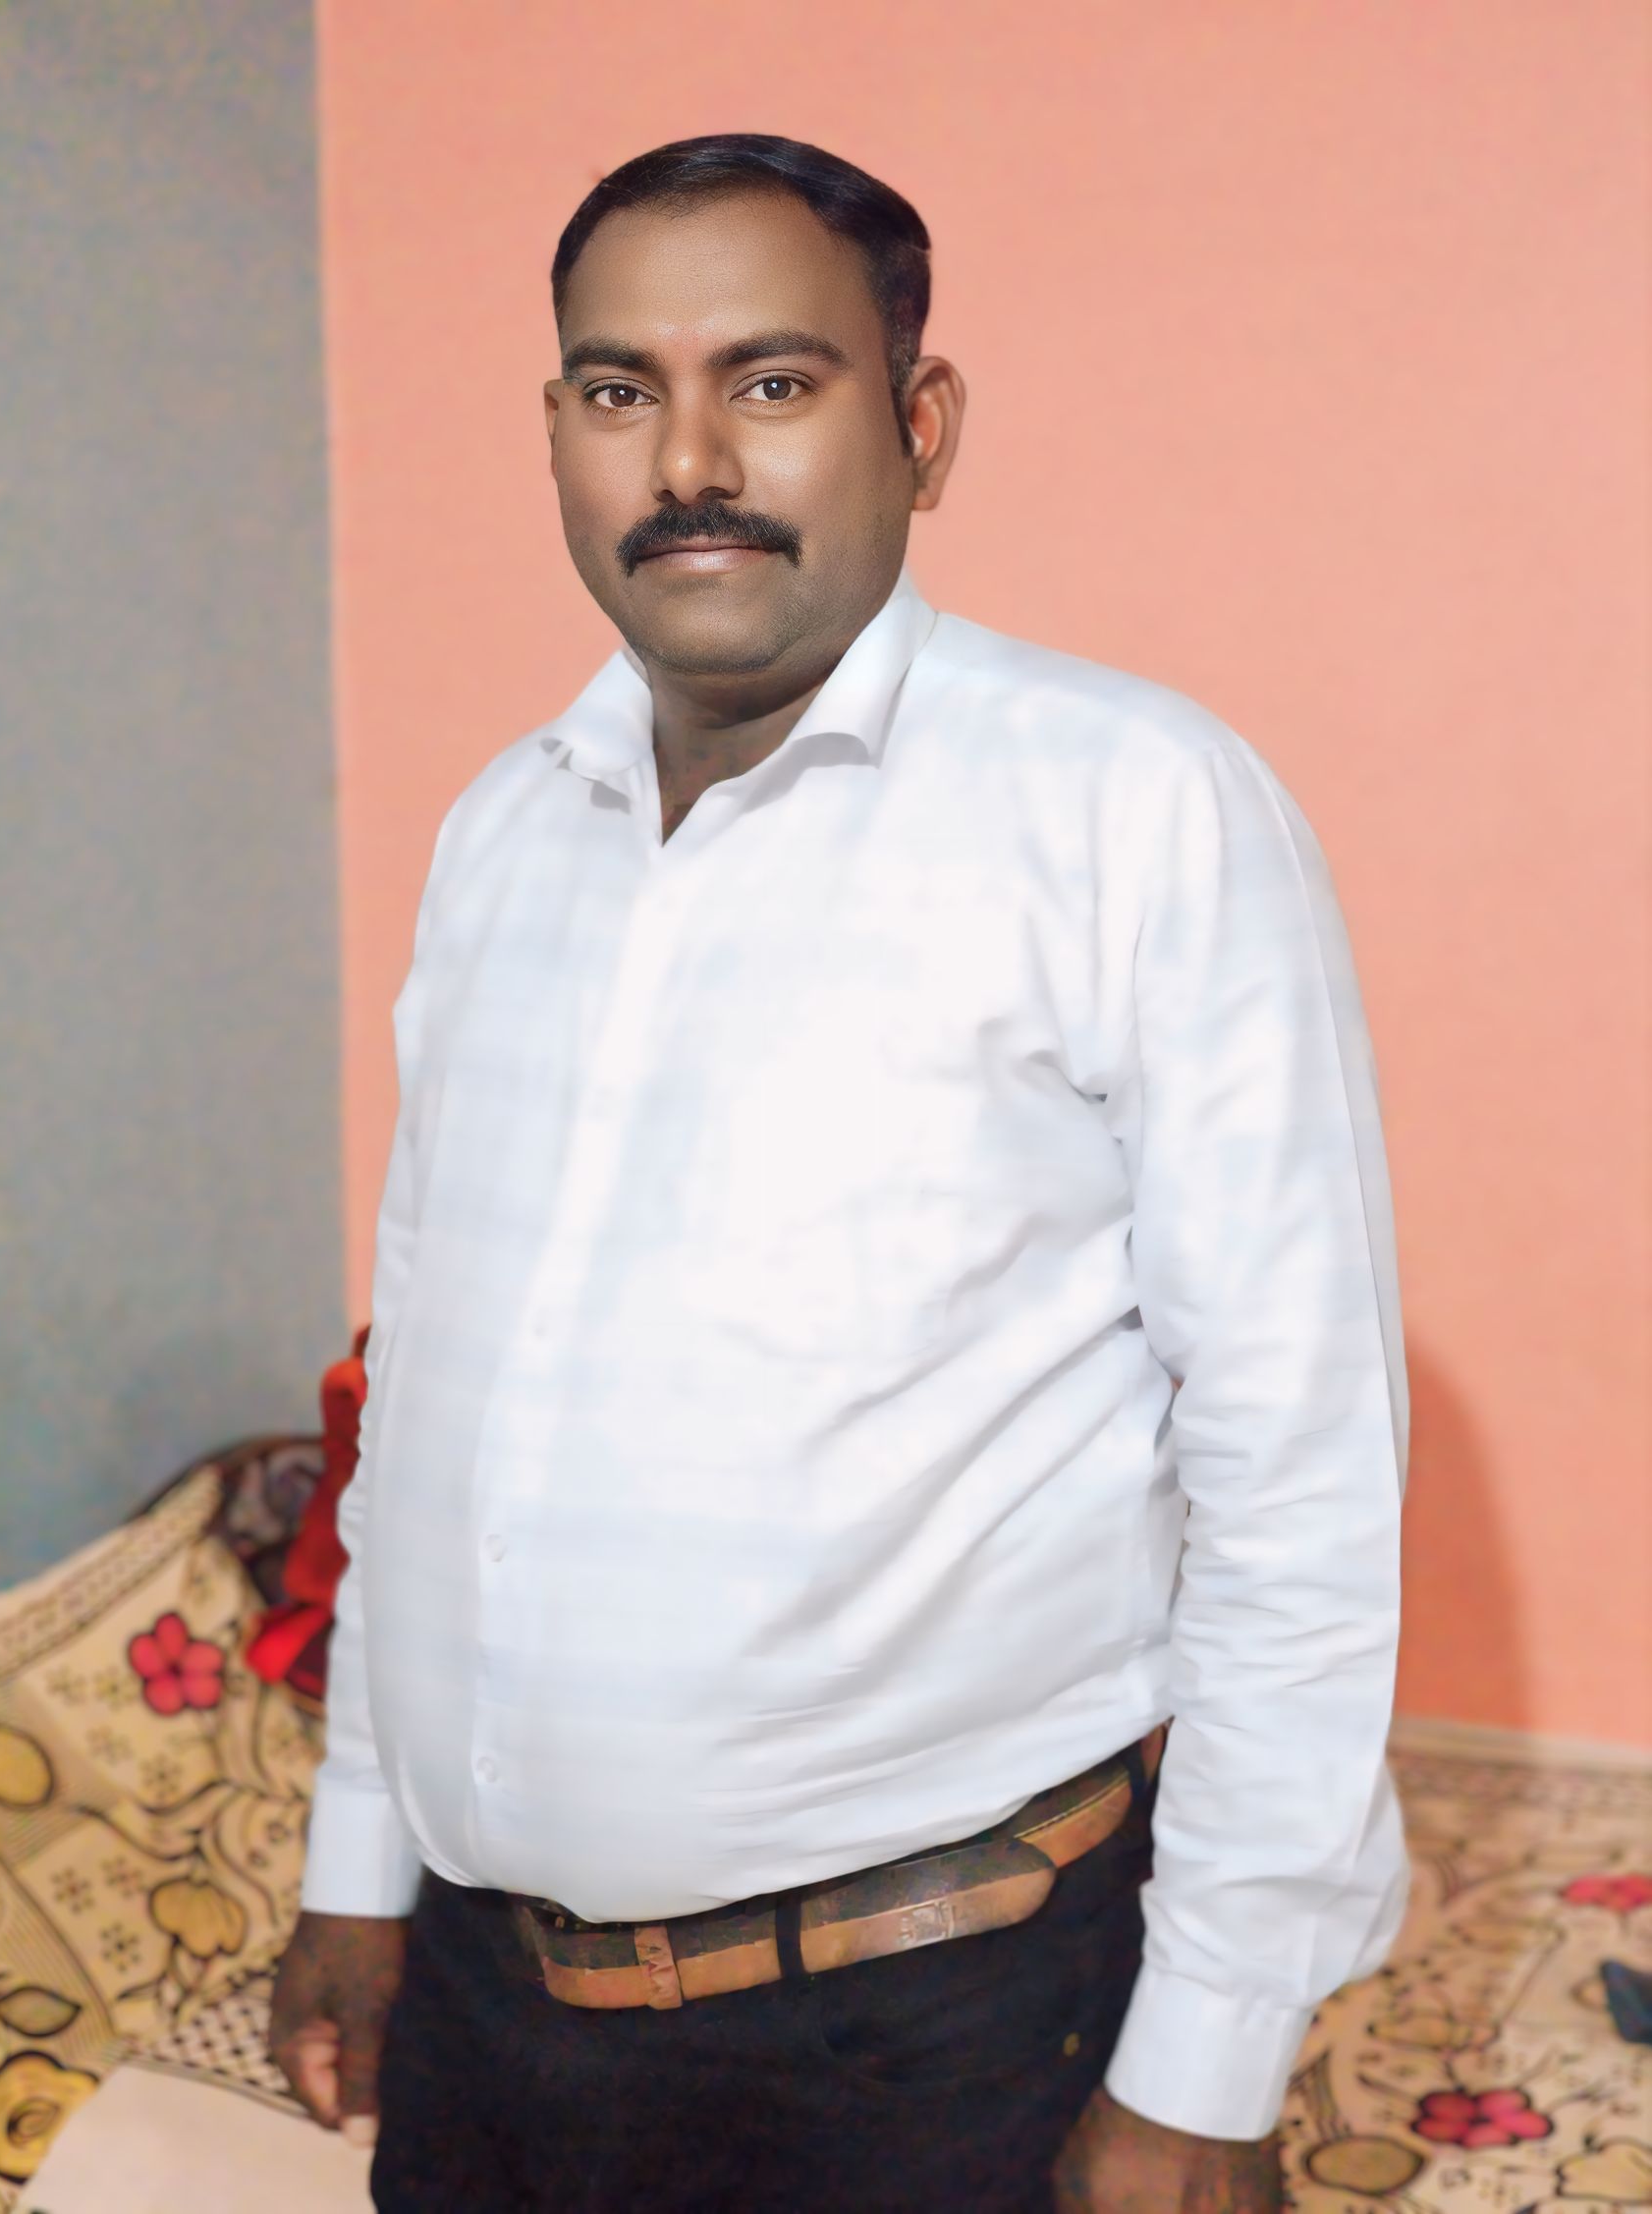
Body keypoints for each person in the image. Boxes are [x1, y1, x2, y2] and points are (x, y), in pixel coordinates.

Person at [269, 133, 1409, 2213]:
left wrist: (1207, 2064)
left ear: (922, 424)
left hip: (923, 2035)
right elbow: (428, 1397)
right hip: (486, 2015)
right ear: (556, 432)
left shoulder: (1132, 808)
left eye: (773, 382)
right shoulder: (505, 832)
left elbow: (1300, 1474)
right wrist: (362, 1860)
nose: (688, 460)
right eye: (620, 390)